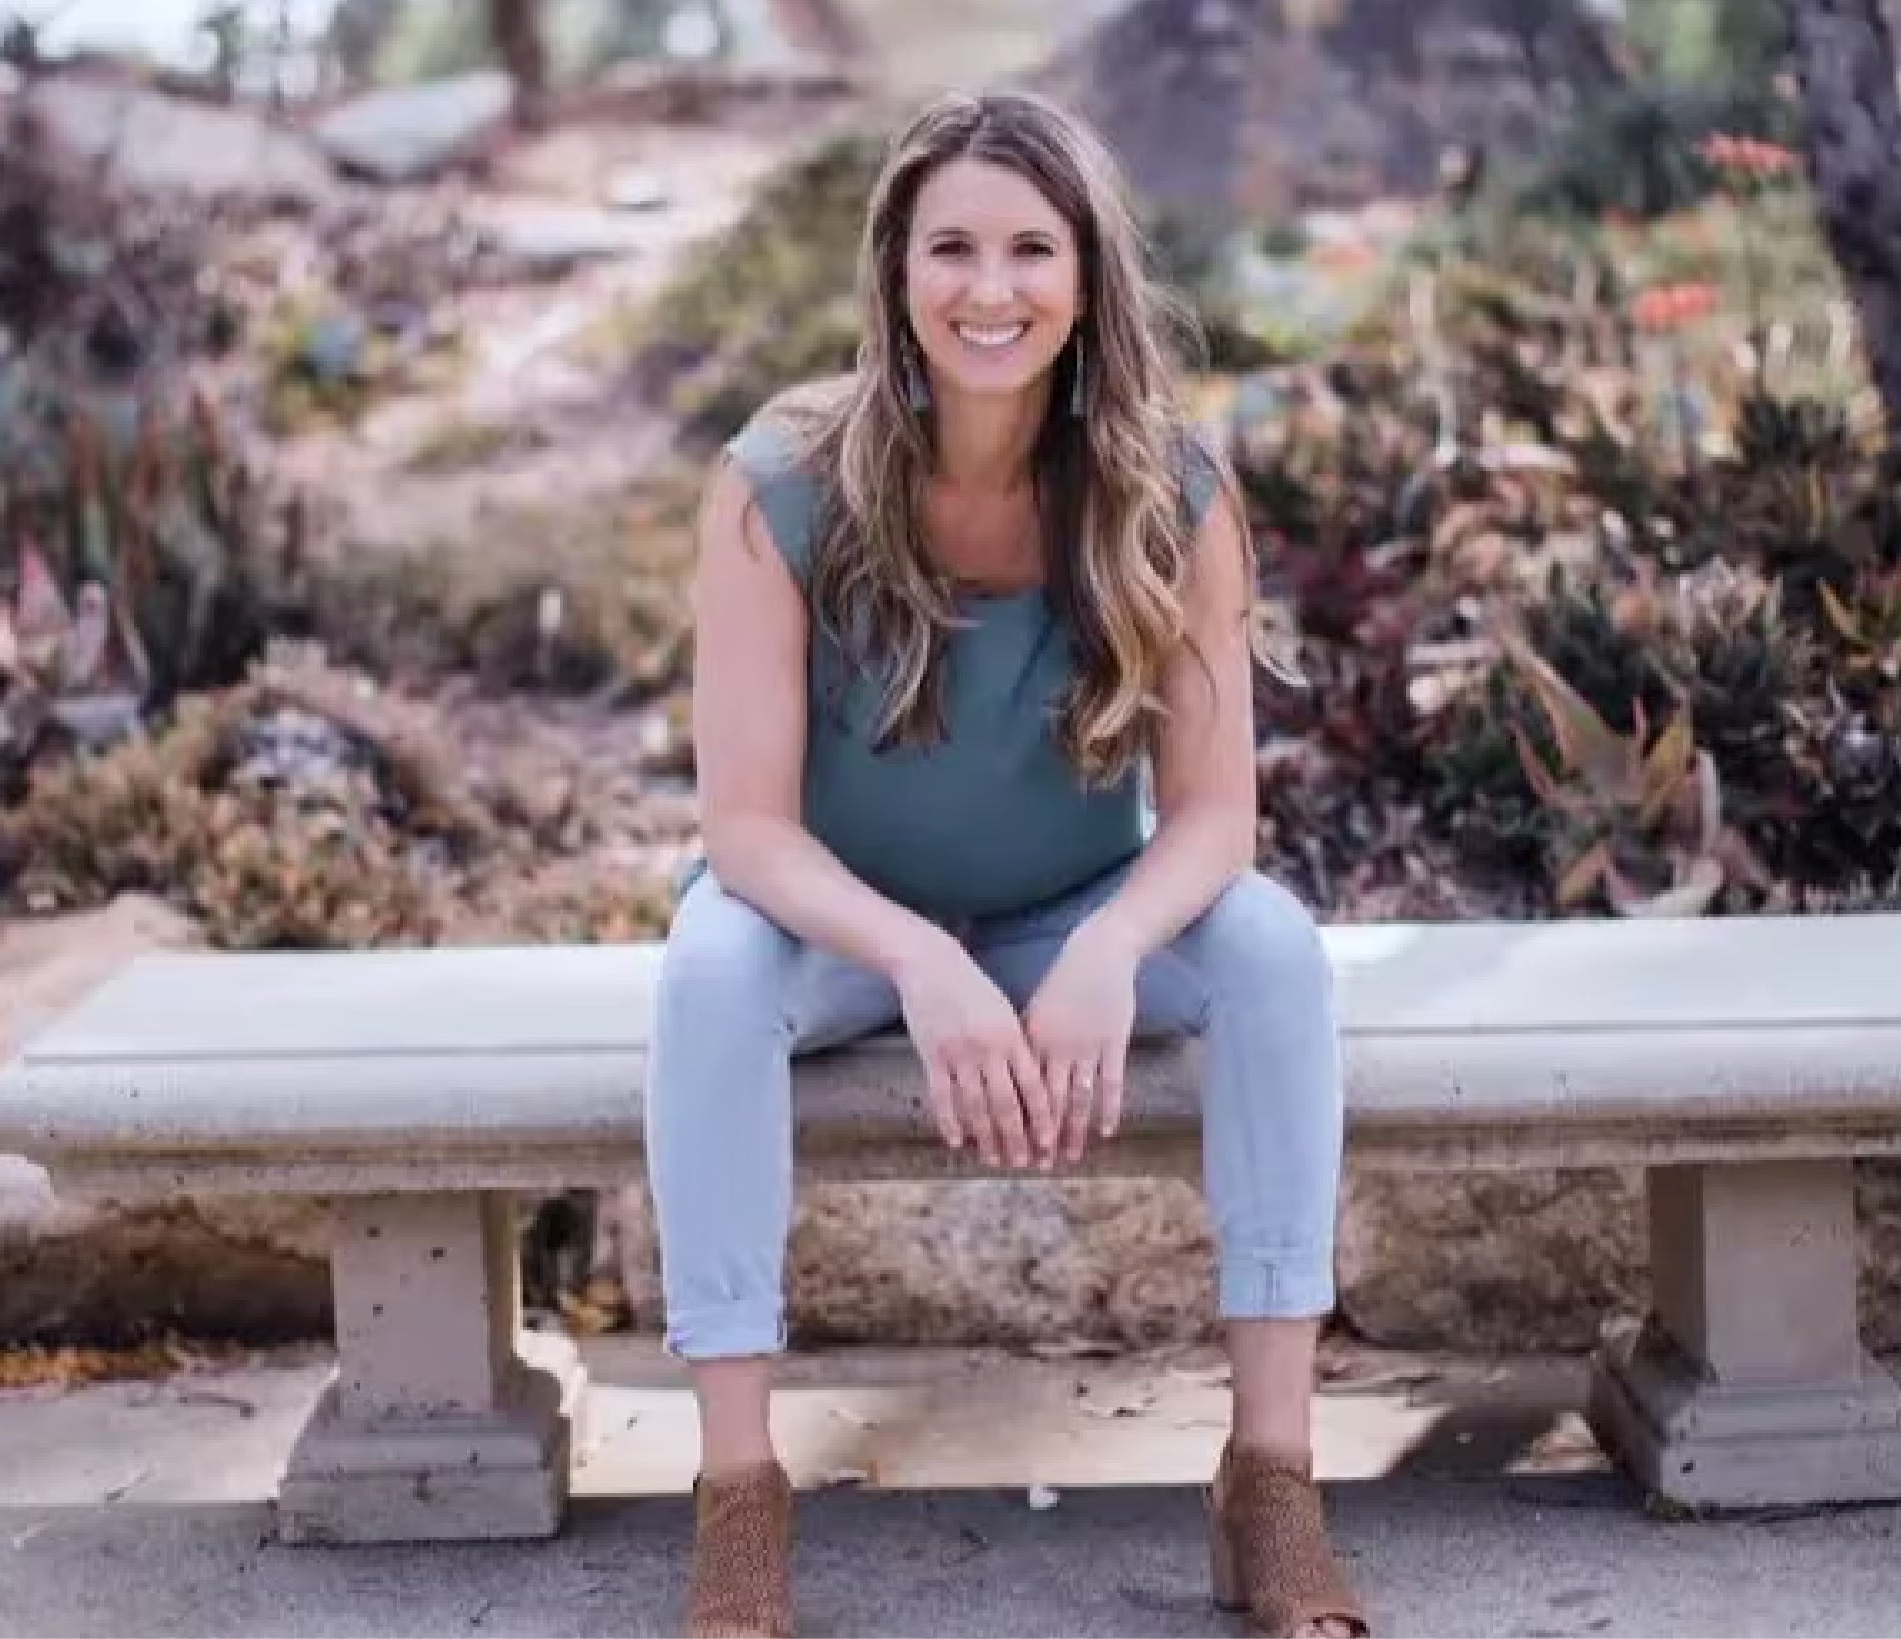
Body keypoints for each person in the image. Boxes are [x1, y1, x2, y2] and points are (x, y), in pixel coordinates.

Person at [646, 89, 1367, 1639]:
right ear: (895, 272)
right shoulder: (785, 476)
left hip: (1063, 924)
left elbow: (1214, 819)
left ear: (1090, 274)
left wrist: (1106, 950)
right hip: (834, 928)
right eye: (952, 247)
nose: (991, 289)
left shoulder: (1171, 490)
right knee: (704, 969)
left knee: (1274, 955)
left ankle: (1272, 1476)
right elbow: (748, 832)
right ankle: (738, 1500)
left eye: (1032, 249)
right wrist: (918, 958)